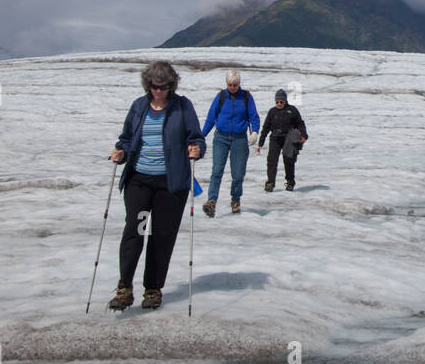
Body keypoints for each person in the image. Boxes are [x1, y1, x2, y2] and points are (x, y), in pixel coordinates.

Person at [106, 61, 205, 311]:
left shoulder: (182, 107)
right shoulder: (139, 106)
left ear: (172, 85)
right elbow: (127, 138)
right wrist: (121, 151)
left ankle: (153, 289)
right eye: (154, 86)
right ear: (147, 84)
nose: (159, 91)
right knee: (135, 230)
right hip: (139, 181)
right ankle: (124, 287)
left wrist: (196, 149)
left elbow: (196, 137)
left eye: (164, 86)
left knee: (161, 236)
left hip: (171, 185)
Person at [201, 70, 260, 217]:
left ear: (239, 84)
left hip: (239, 139)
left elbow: (254, 117)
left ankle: (235, 200)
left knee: (238, 174)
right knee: (217, 171)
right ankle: (211, 201)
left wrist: (255, 131)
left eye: (235, 84)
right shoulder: (221, 96)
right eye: (230, 84)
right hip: (221, 138)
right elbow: (211, 118)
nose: (233, 87)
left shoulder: (246, 97)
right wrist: (201, 136)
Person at [257, 88, 307, 192]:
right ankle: (270, 183)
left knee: (289, 161)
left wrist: (304, 135)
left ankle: (290, 182)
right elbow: (265, 128)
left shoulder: (292, 110)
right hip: (275, 139)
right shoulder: (272, 112)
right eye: (277, 102)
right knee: (272, 161)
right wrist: (260, 143)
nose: (279, 104)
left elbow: (300, 123)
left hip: (289, 139)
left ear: (285, 101)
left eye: (281, 101)